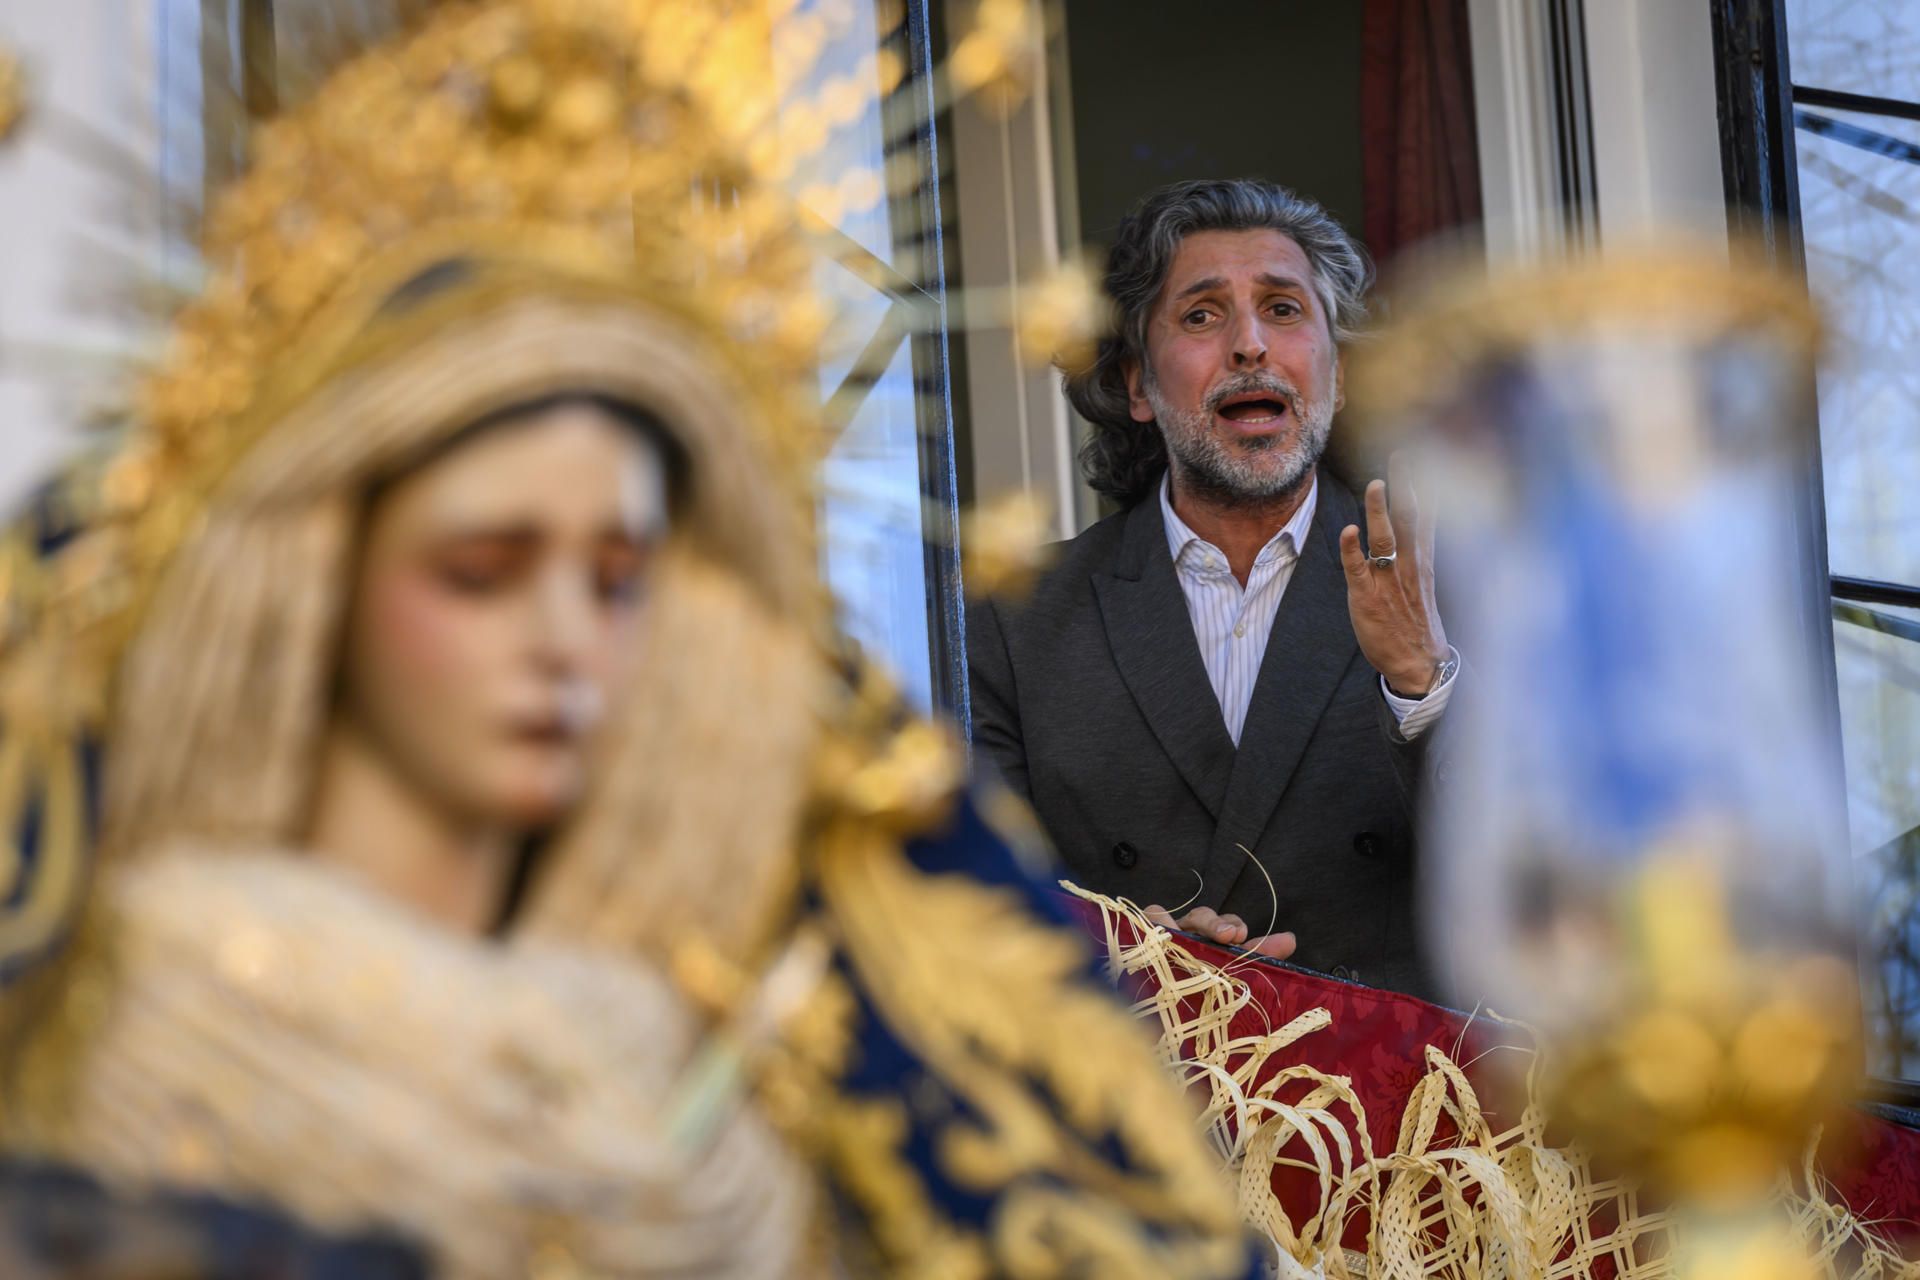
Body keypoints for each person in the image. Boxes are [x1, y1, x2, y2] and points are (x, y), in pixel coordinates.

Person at [0, 5, 1263, 1277]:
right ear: (314, 587)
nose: (564, 642)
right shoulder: (158, 1019)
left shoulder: (720, 1040)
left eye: (617, 582)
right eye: (480, 571)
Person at [969, 179, 1457, 999]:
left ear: (1336, 375)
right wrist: (1121, 954)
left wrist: (1422, 682)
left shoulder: (1457, 582)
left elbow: (1544, 874)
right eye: (1201, 315)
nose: (1249, 346)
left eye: (1285, 309)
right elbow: (977, 913)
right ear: (1135, 386)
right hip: (1146, 1099)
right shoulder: (1017, 620)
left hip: (1410, 1103)